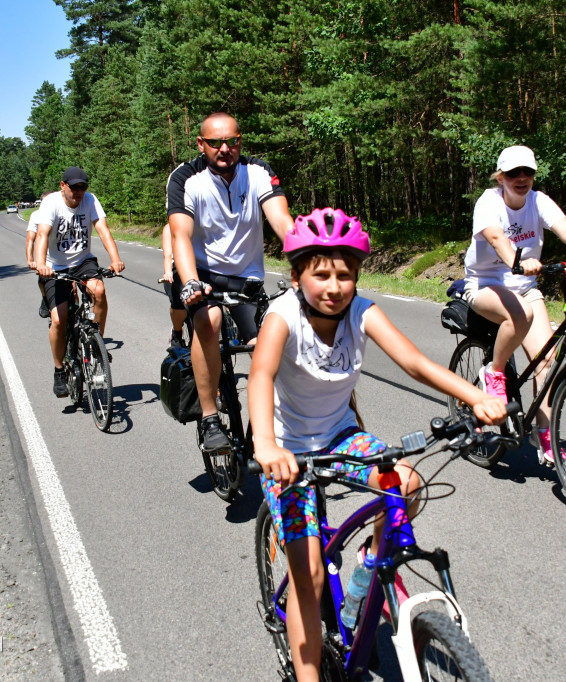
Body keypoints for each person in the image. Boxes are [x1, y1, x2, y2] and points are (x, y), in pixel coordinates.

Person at [249, 208, 508, 682]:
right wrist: (266, 445)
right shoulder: (281, 316)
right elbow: (260, 375)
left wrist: (477, 396)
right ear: (296, 275)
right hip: (287, 451)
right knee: (306, 577)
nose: (333, 286)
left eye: (344, 275)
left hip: (342, 436)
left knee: (406, 483)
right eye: (320, 274)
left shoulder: (364, 312)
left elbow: (414, 362)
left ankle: (363, 583)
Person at [462, 145, 566, 462]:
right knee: (520, 314)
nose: (521, 178)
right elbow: (496, 237)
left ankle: (545, 435)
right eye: (513, 173)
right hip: (486, 284)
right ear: (501, 177)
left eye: (527, 172)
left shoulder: (538, 201)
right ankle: (493, 373)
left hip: (524, 285)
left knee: (546, 361)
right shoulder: (488, 202)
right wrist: (516, 262)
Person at [166, 112, 294, 453]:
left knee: (270, 345)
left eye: (232, 141)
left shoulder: (258, 173)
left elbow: (282, 220)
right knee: (210, 320)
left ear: (241, 141)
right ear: (200, 144)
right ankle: (209, 418)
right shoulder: (185, 178)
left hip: (247, 280)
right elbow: (181, 235)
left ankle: (264, 425)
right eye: (215, 143)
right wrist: (190, 281)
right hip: (204, 275)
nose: (225, 149)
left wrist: (306, 261)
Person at [35, 167, 126, 397]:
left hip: (82, 261)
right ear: (62, 185)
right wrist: (40, 264)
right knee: (59, 318)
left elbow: (103, 230)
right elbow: (42, 235)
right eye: (74, 187)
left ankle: (98, 344)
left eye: (82, 187)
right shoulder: (51, 204)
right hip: (55, 266)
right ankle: (58, 370)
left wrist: (115, 259)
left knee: (99, 290)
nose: (78, 192)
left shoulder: (90, 200)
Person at [26, 191, 55, 319]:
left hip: (60, 255)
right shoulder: (36, 215)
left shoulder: (61, 212)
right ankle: (45, 299)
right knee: (43, 279)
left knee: (73, 285)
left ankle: (75, 307)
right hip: (44, 256)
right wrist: (31, 260)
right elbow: (30, 239)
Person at [159, 223, 187, 348]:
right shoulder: (169, 228)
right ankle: (177, 332)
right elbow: (167, 255)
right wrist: (168, 272)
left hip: (200, 267)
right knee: (178, 303)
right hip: (178, 268)